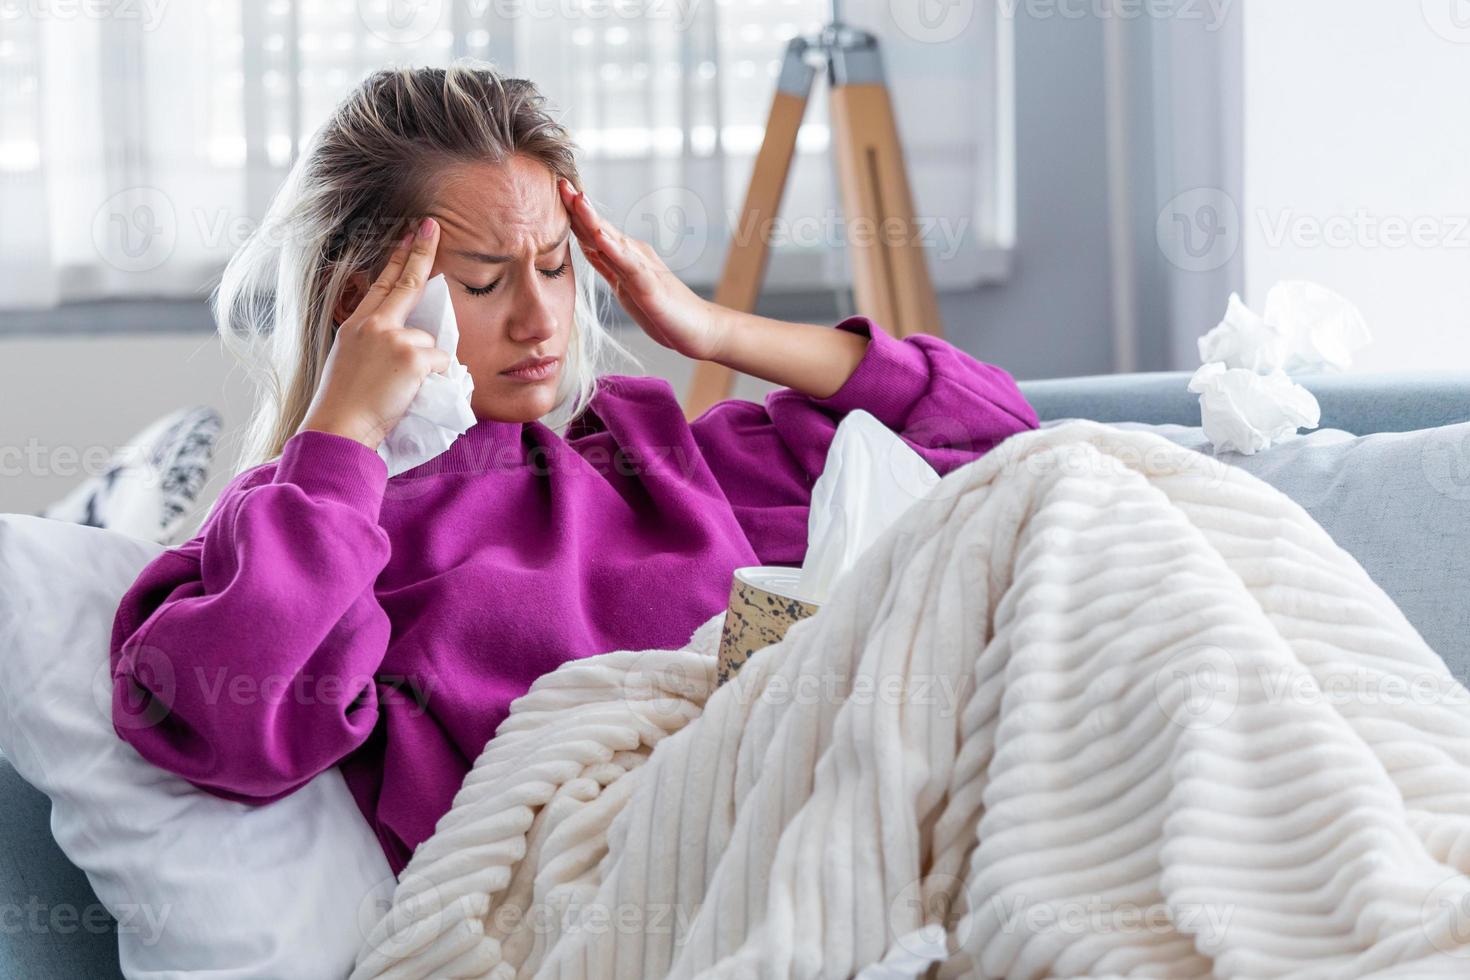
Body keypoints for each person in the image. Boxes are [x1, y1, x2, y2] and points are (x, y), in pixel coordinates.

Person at [108, 63, 1038, 877]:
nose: (541, 321)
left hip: (826, 817)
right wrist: (345, 431)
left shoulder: (645, 457)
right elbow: (221, 721)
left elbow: (995, 441)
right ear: (367, 300)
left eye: (555, 266)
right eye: (482, 283)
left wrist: (713, 329)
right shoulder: (306, 526)